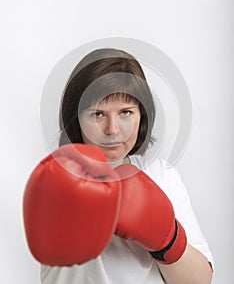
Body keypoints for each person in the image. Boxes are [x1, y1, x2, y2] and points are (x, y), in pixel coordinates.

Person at [23, 48, 214, 283]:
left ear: (141, 115)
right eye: (98, 114)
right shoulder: (57, 179)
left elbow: (200, 280)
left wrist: (168, 240)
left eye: (125, 112)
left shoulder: (163, 176)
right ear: (76, 118)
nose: (112, 129)